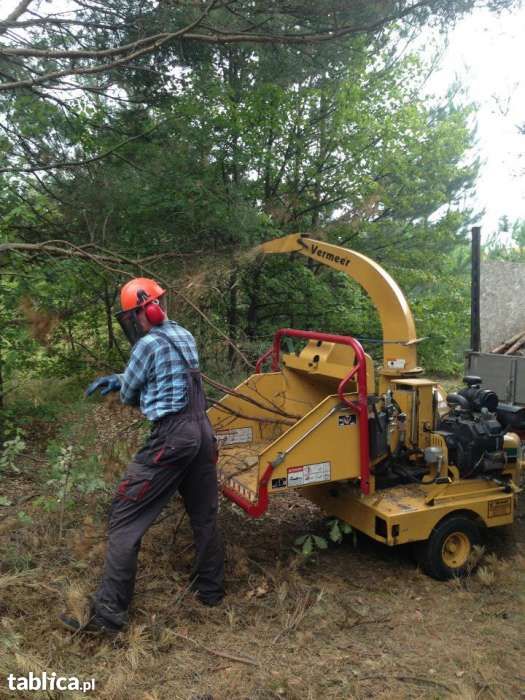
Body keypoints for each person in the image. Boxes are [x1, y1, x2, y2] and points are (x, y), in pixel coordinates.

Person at [60, 277, 224, 634]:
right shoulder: (184, 334)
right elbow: (167, 373)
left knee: (124, 517)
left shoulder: (145, 345)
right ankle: (210, 590)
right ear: (158, 305)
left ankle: (107, 616)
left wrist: (123, 384)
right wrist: (120, 376)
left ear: (138, 314)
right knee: (204, 514)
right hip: (202, 432)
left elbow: (131, 395)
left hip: (171, 438)